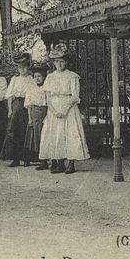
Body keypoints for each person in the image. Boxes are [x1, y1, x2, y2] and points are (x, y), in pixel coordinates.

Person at [39, 45, 90, 174]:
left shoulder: (72, 76)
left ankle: (71, 163)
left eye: (62, 61)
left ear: (66, 62)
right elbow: (48, 97)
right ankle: (59, 162)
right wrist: (53, 110)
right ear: (54, 63)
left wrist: (65, 110)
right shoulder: (50, 77)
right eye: (57, 62)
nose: (59, 64)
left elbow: (75, 96)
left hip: (69, 108)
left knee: (70, 134)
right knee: (56, 135)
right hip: (54, 109)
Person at [1, 53, 34, 166]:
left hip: (27, 106)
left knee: (25, 131)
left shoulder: (31, 79)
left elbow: (33, 94)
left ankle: (27, 158)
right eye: (20, 67)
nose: (22, 69)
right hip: (16, 106)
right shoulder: (15, 79)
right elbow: (9, 95)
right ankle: (15, 158)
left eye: (24, 66)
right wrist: (10, 110)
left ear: (28, 67)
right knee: (14, 132)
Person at [24, 63, 49, 167]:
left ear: (43, 77)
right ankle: (31, 157)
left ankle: (44, 160)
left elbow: (48, 104)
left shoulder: (46, 88)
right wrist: (30, 118)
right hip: (34, 113)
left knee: (43, 135)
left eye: (39, 76)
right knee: (32, 135)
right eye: (35, 77)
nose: (37, 79)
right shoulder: (31, 88)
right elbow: (29, 105)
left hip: (44, 112)